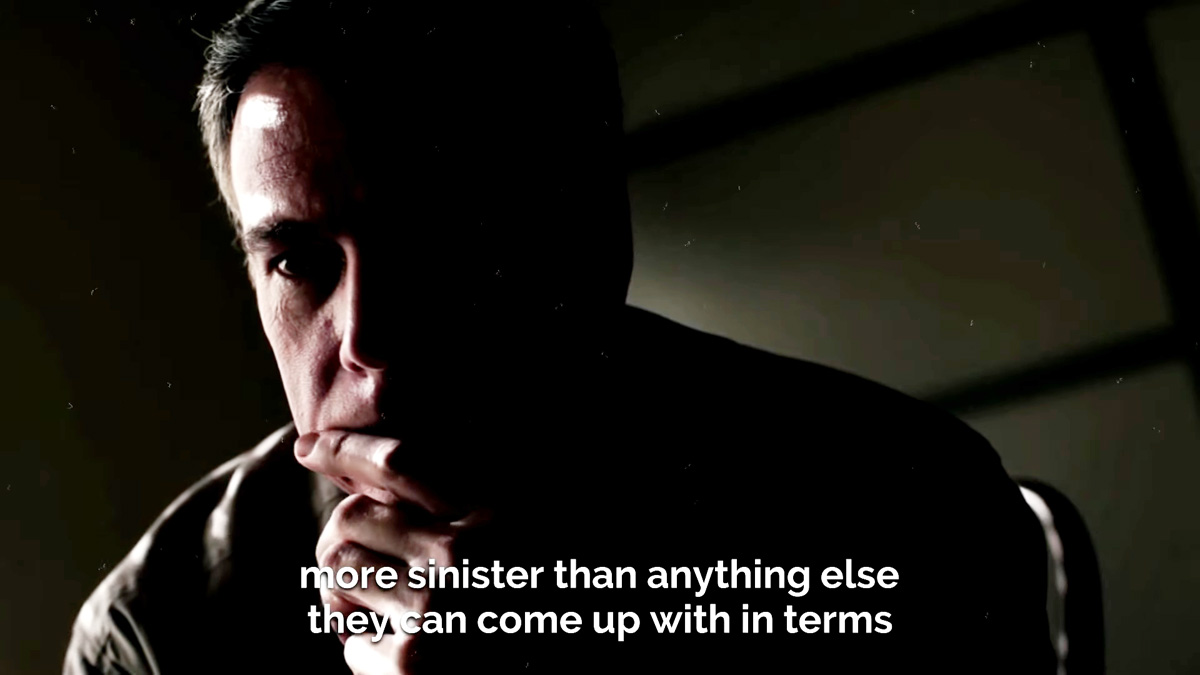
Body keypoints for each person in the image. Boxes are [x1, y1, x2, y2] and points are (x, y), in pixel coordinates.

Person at [64, 1, 1055, 672]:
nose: (367, 336)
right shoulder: (160, 632)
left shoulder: (899, 507)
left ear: (590, 233)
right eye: (297, 262)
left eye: (435, 239)